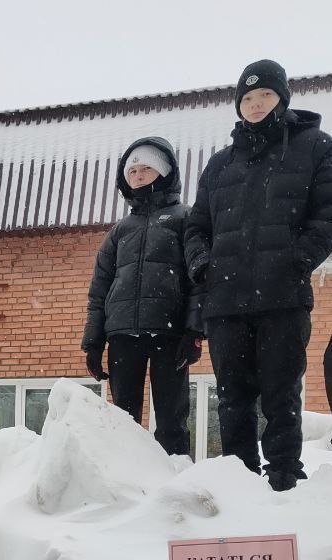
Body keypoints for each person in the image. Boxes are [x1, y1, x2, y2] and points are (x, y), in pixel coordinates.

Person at [185, 59, 332, 490]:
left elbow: (327, 216)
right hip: (225, 302)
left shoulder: (315, 147)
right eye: (247, 98)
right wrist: (203, 265)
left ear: (282, 98)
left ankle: (284, 477)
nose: (255, 104)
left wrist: (297, 261)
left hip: (283, 297)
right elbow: (196, 227)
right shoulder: (219, 164)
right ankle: (239, 481)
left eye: (265, 94)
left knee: (281, 393)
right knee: (232, 398)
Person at [82, 137, 203, 456]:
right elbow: (100, 288)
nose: (137, 175)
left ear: (164, 171)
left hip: (169, 333)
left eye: (146, 168)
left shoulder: (185, 218)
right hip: (122, 335)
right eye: (132, 170)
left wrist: (194, 332)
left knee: (172, 420)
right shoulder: (120, 230)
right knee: (123, 420)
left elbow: (199, 281)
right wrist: (93, 343)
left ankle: (176, 477)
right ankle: (125, 478)